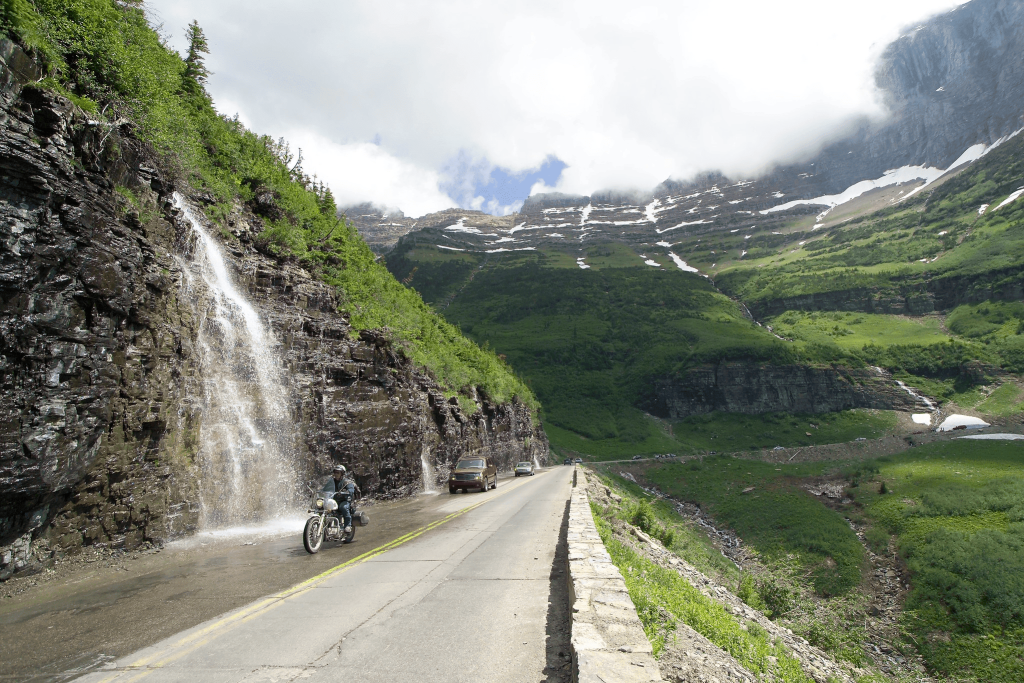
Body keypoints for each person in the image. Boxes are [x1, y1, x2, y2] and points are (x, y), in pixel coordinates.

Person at [321, 464, 355, 533]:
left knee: (343, 507)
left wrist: (347, 492)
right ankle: (324, 527)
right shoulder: (331, 481)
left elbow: (351, 489)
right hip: (334, 500)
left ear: (342, 474)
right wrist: (319, 492)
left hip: (344, 500)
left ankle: (348, 526)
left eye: (338, 473)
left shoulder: (346, 482)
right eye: (335, 472)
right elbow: (325, 489)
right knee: (323, 508)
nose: (336, 474)